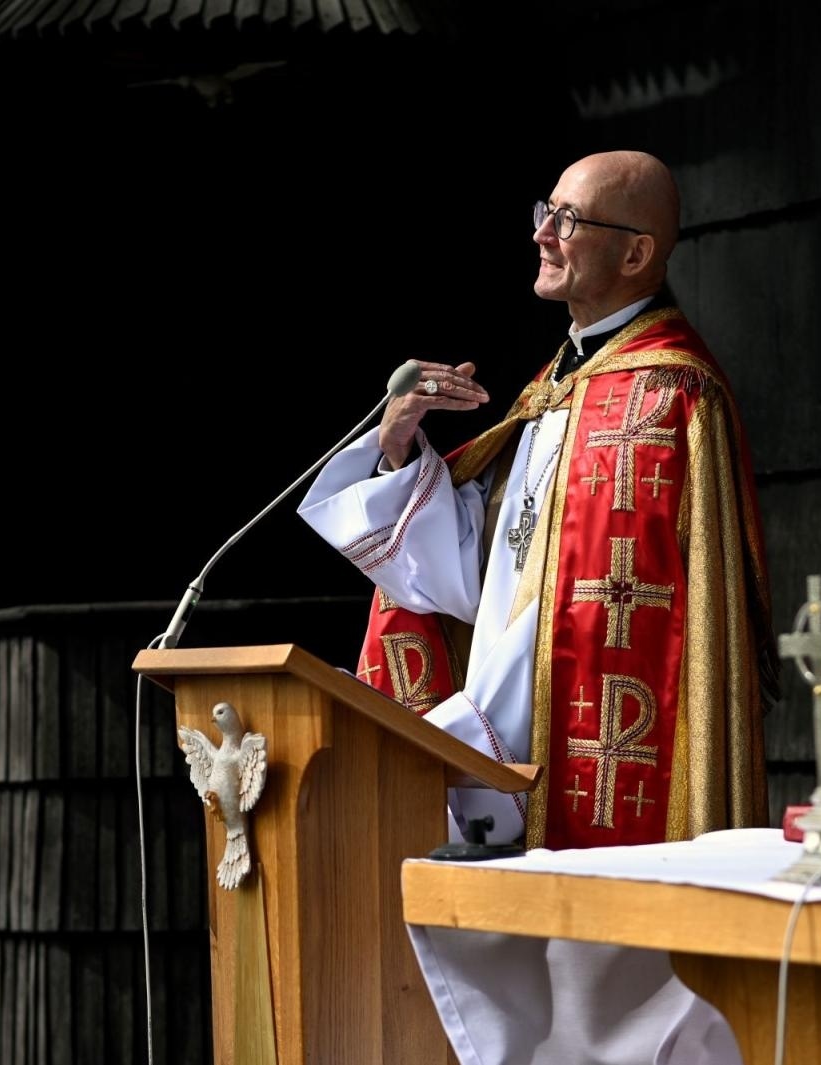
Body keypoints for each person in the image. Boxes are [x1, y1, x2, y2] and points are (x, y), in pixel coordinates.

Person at [299, 151, 778, 852]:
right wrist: (397, 447)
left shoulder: (671, 399)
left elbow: (589, 623)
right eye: (544, 212)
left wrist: (466, 736)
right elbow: (485, 582)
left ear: (637, 252)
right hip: (504, 764)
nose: (542, 233)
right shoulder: (554, 391)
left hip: (576, 781)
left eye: (568, 219)